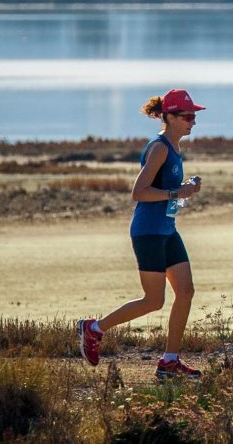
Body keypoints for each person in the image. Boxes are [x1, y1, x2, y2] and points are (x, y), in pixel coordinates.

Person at [77, 89, 205, 379]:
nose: (193, 121)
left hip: (167, 229)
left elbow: (164, 193)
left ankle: (169, 361)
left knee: (186, 292)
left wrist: (184, 190)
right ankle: (93, 329)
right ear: (170, 117)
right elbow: (139, 192)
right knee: (153, 300)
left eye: (194, 116)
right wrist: (177, 191)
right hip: (148, 232)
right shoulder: (159, 148)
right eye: (187, 116)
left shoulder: (174, 149)